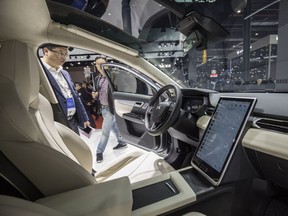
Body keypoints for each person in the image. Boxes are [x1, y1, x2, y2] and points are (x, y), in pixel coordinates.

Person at [41, 43, 90, 135]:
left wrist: (84, 117)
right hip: (55, 124)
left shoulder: (65, 73)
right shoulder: (38, 70)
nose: (64, 57)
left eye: (65, 54)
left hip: (72, 120)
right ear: (46, 51)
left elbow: (75, 96)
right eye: (60, 53)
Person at [93, 57, 127, 163]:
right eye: (98, 65)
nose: (101, 66)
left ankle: (99, 152)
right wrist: (95, 95)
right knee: (113, 126)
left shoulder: (114, 76)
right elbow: (97, 93)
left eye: (103, 64)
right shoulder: (97, 78)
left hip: (111, 108)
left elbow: (122, 89)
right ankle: (122, 142)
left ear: (107, 64)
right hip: (102, 107)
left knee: (105, 131)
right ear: (96, 66)